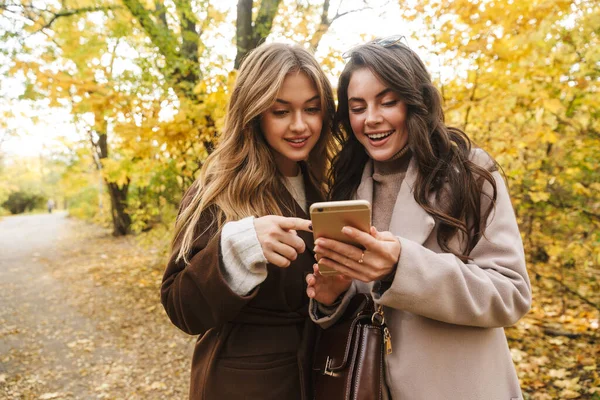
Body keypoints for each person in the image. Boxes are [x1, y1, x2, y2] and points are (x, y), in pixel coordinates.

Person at [306, 36, 532, 399]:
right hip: (370, 387)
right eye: (358, 107)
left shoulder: (470, 173)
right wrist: (333, 298)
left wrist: (401, 266)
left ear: (416, 102)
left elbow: (511, 294)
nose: (372, 119)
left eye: (388, 102)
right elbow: (364, 303)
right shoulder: (347, 188)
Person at [161, 42, 335, 400]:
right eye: (281, 111)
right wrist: (236, 248)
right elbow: (181, 308)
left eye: (312, 109)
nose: (299, 125)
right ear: (254, 112)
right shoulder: (218, 190)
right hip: (244, 384)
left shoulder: (325, 187)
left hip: (319, 376)